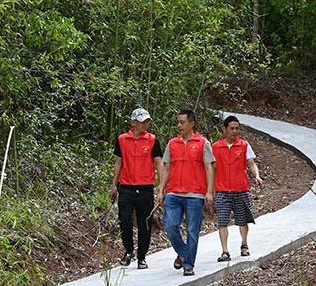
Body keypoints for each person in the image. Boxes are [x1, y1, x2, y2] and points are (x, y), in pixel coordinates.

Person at [157, 109, 215, 276]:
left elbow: (209, 168)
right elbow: (166, 168)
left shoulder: (203, 143)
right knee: (169, 224)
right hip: (174, 193)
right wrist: (161, 189)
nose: (179, 125)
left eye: (182, 122)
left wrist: (209, 192)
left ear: (192, 124)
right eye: (178, 122)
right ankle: (183, 253)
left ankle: (188, 264)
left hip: (195, 195)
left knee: (192, 230)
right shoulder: (172, 144)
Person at [110, 108, 164, 269]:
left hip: (145, 187)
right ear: (134, 122)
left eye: (147, 121)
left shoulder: (152, 140)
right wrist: (114, 185)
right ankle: (128, 252)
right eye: (142, 122)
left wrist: (161, 186)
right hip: (126, 187)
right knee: (125, 220)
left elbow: (159, 162)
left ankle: (142, 257)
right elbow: (119, 162)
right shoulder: (122, 139)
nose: (145, 125)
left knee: (144, 223)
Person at [212, 115, 262, 262]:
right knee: (222, 221)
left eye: (237, 129)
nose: (235, 131)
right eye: (232, 129)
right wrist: (210, 189)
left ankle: (244, 244)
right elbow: (212, 168)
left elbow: (251, 163)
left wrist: (256, 176)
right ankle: (225, 251)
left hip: (240, 188)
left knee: (242, 219)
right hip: (222, 190)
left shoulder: (244, 145)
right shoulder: (216, 147)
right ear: (224, 129)